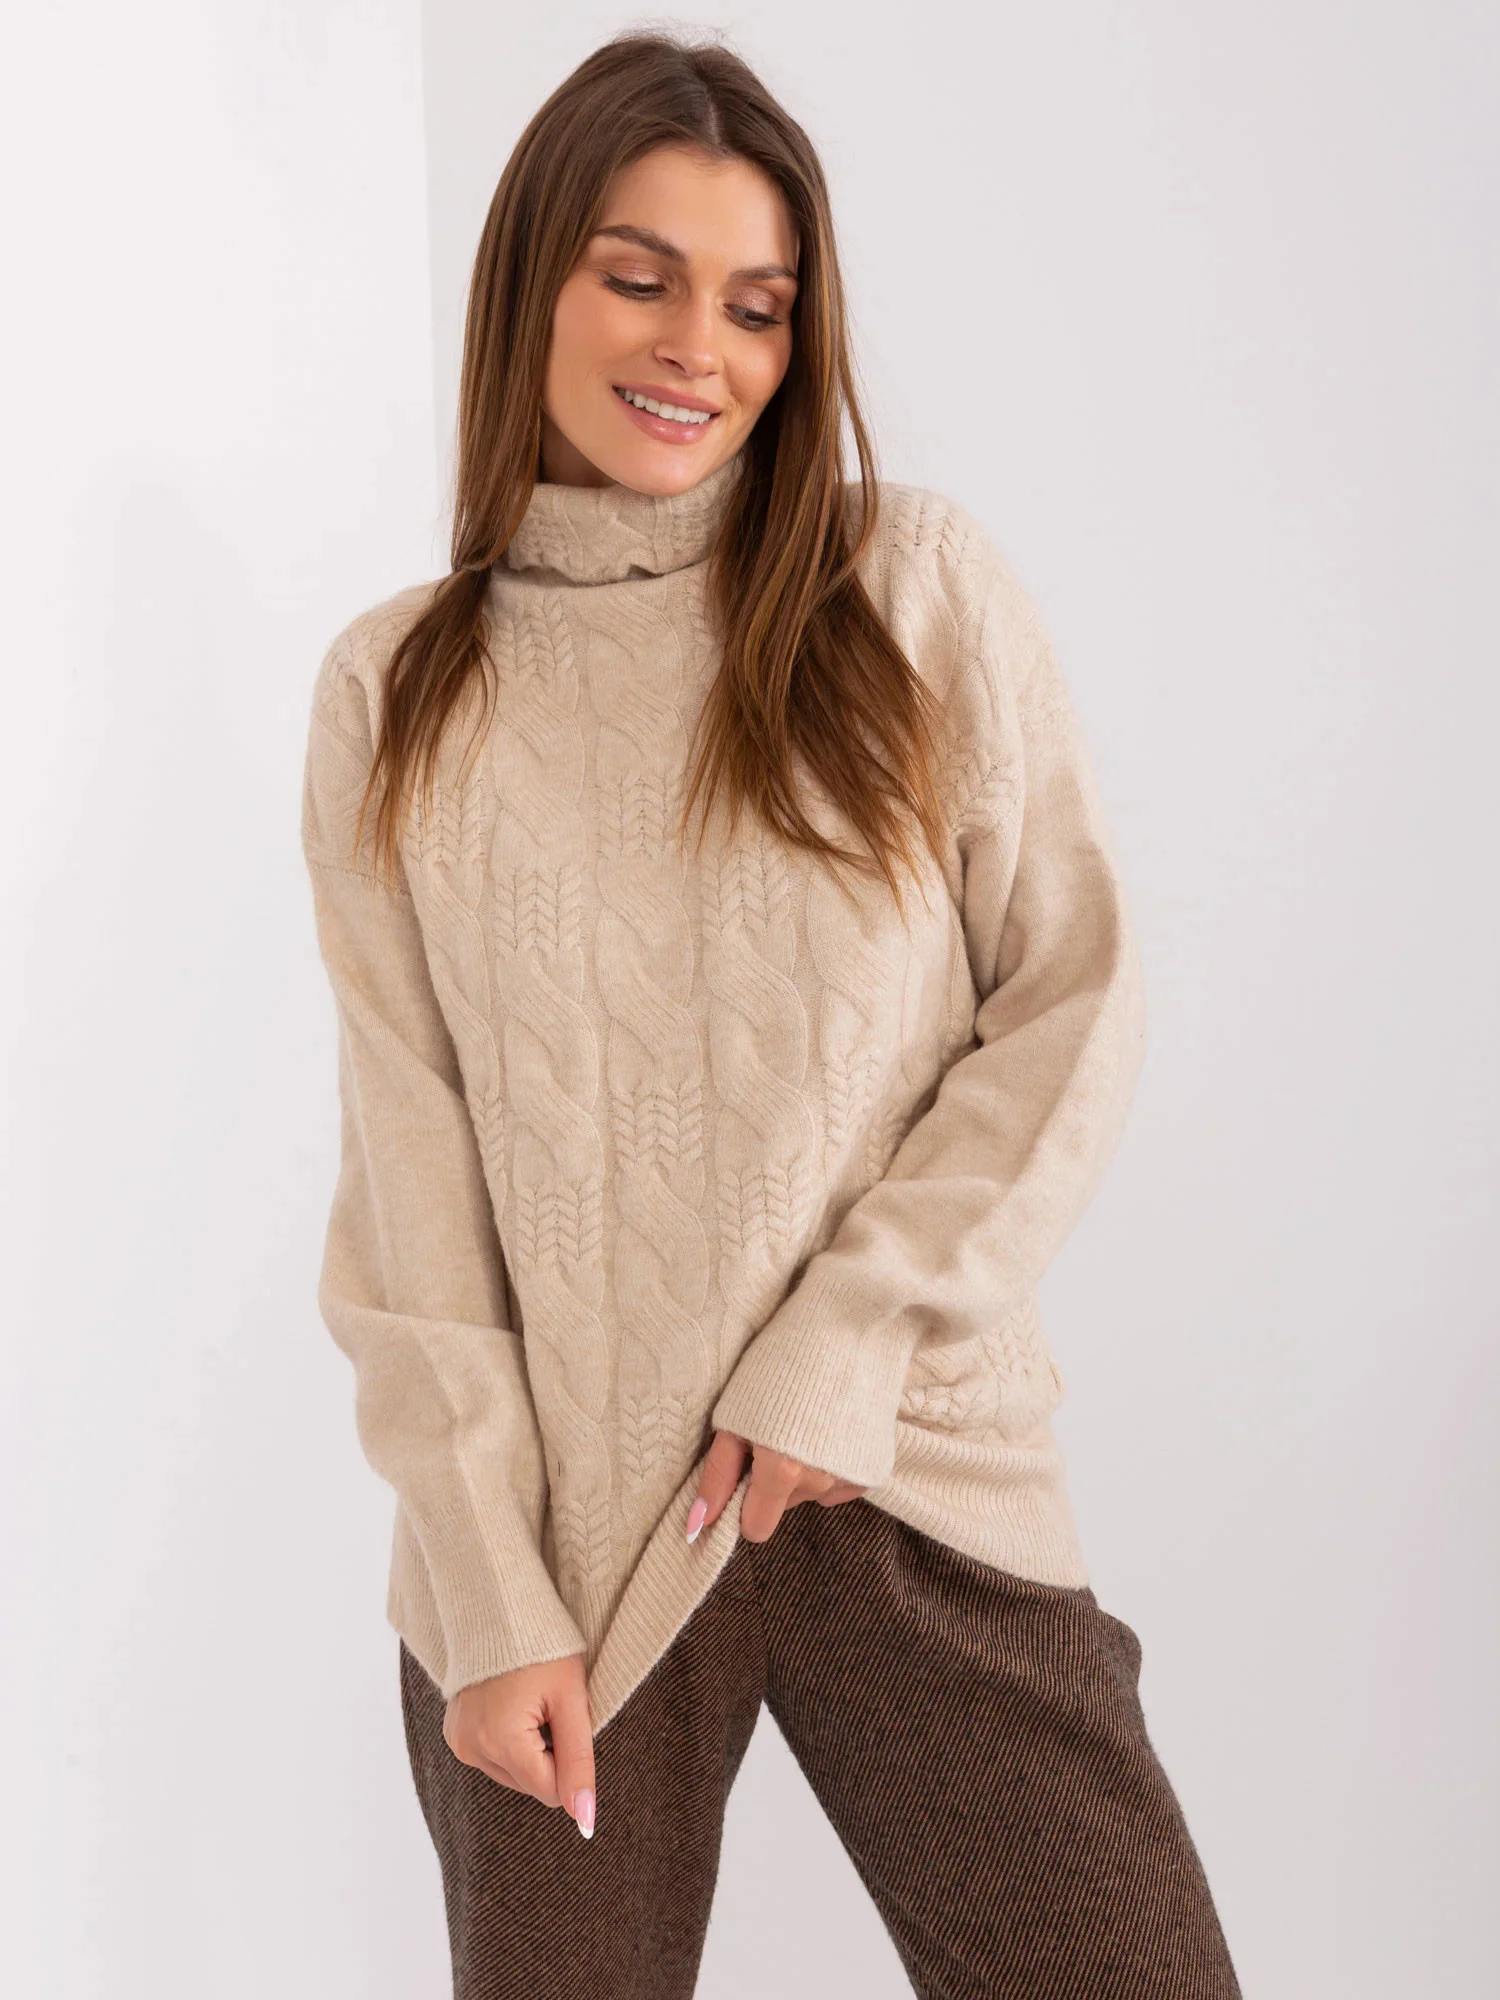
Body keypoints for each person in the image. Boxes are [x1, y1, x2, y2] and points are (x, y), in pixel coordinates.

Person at [299, 28, 1242, 2000]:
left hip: (901, 1461)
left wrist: (846, 1336)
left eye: (756, 305)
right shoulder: (400, 691)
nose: (697, 348)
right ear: (535, 280)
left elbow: (1068, 1001)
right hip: (560, 1561)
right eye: (638, 277)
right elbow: (411, 1180)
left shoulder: (908, 589)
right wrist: (483, 1583)